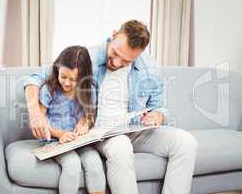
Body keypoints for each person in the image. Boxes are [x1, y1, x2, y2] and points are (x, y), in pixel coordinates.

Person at [24, 20, 198, 194]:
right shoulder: (87, 58)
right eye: (115, 53)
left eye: (126, 61)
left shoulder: (150, 68)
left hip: (136, 129)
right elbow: (36, 77)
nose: (116, 62)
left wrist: (158, 115)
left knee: (186, 143)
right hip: (102, 134)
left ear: (139, 54)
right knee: (121, 145)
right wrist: (35, 114)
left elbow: (159, 107)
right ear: (113, 35)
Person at [28, 45, 106, 194]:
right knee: (72, 165)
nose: (67, 83)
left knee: (95, 163)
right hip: (55, 141)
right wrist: (60, 134)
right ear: (57, 70)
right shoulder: (49, 90)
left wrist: (85, 122)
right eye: (63, 76)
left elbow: (89, 116)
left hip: (79, 141)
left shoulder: (89, 91)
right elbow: (41, 121)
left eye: (73, 79)